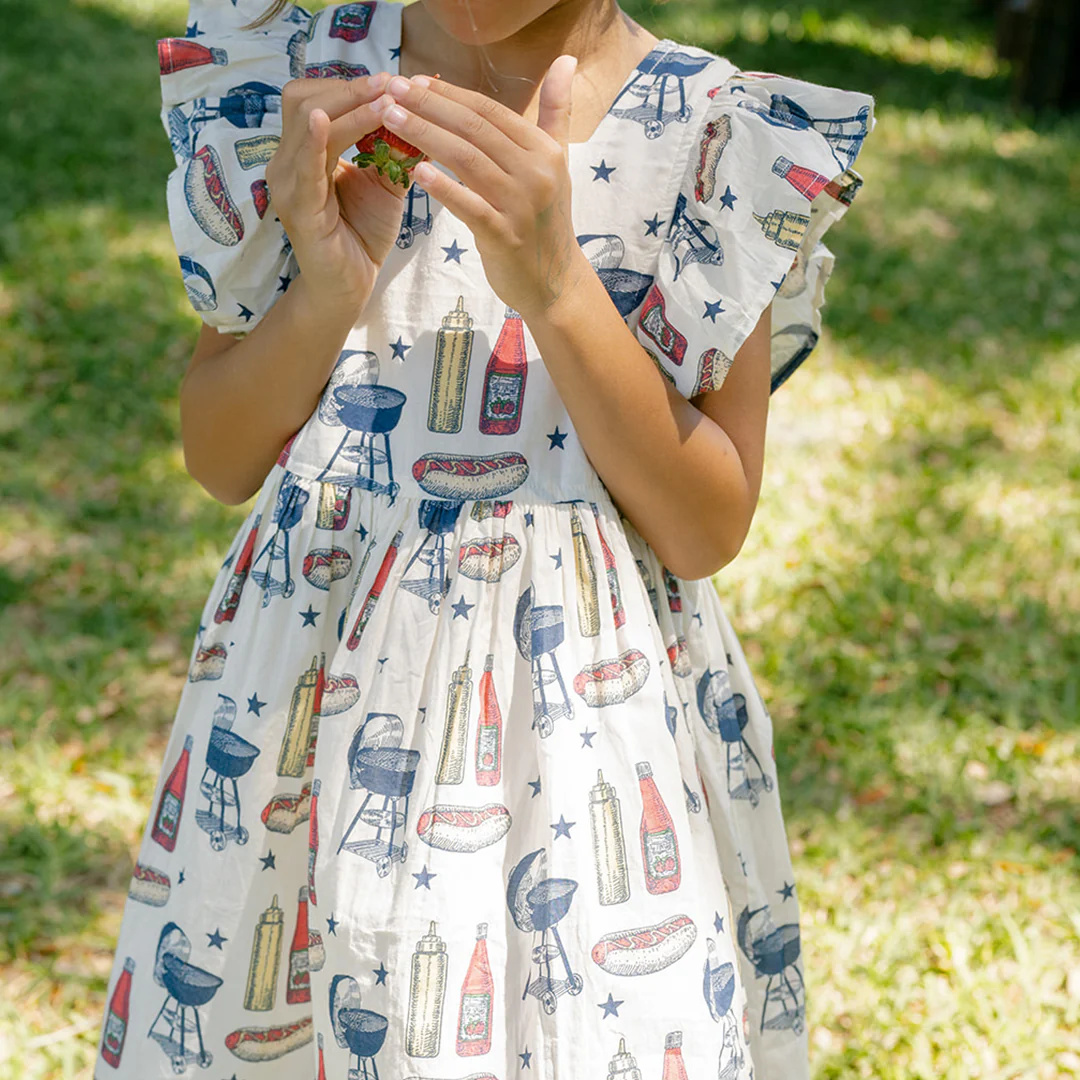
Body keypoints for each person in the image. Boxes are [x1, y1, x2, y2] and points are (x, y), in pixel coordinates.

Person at [96, 1, 875, 1077]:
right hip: (305, 715)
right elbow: (221, 452)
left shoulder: (708, 140)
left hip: (576, 730)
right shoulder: (308, 81)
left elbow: (705, 524)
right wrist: (328, 284)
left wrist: (556, 283)